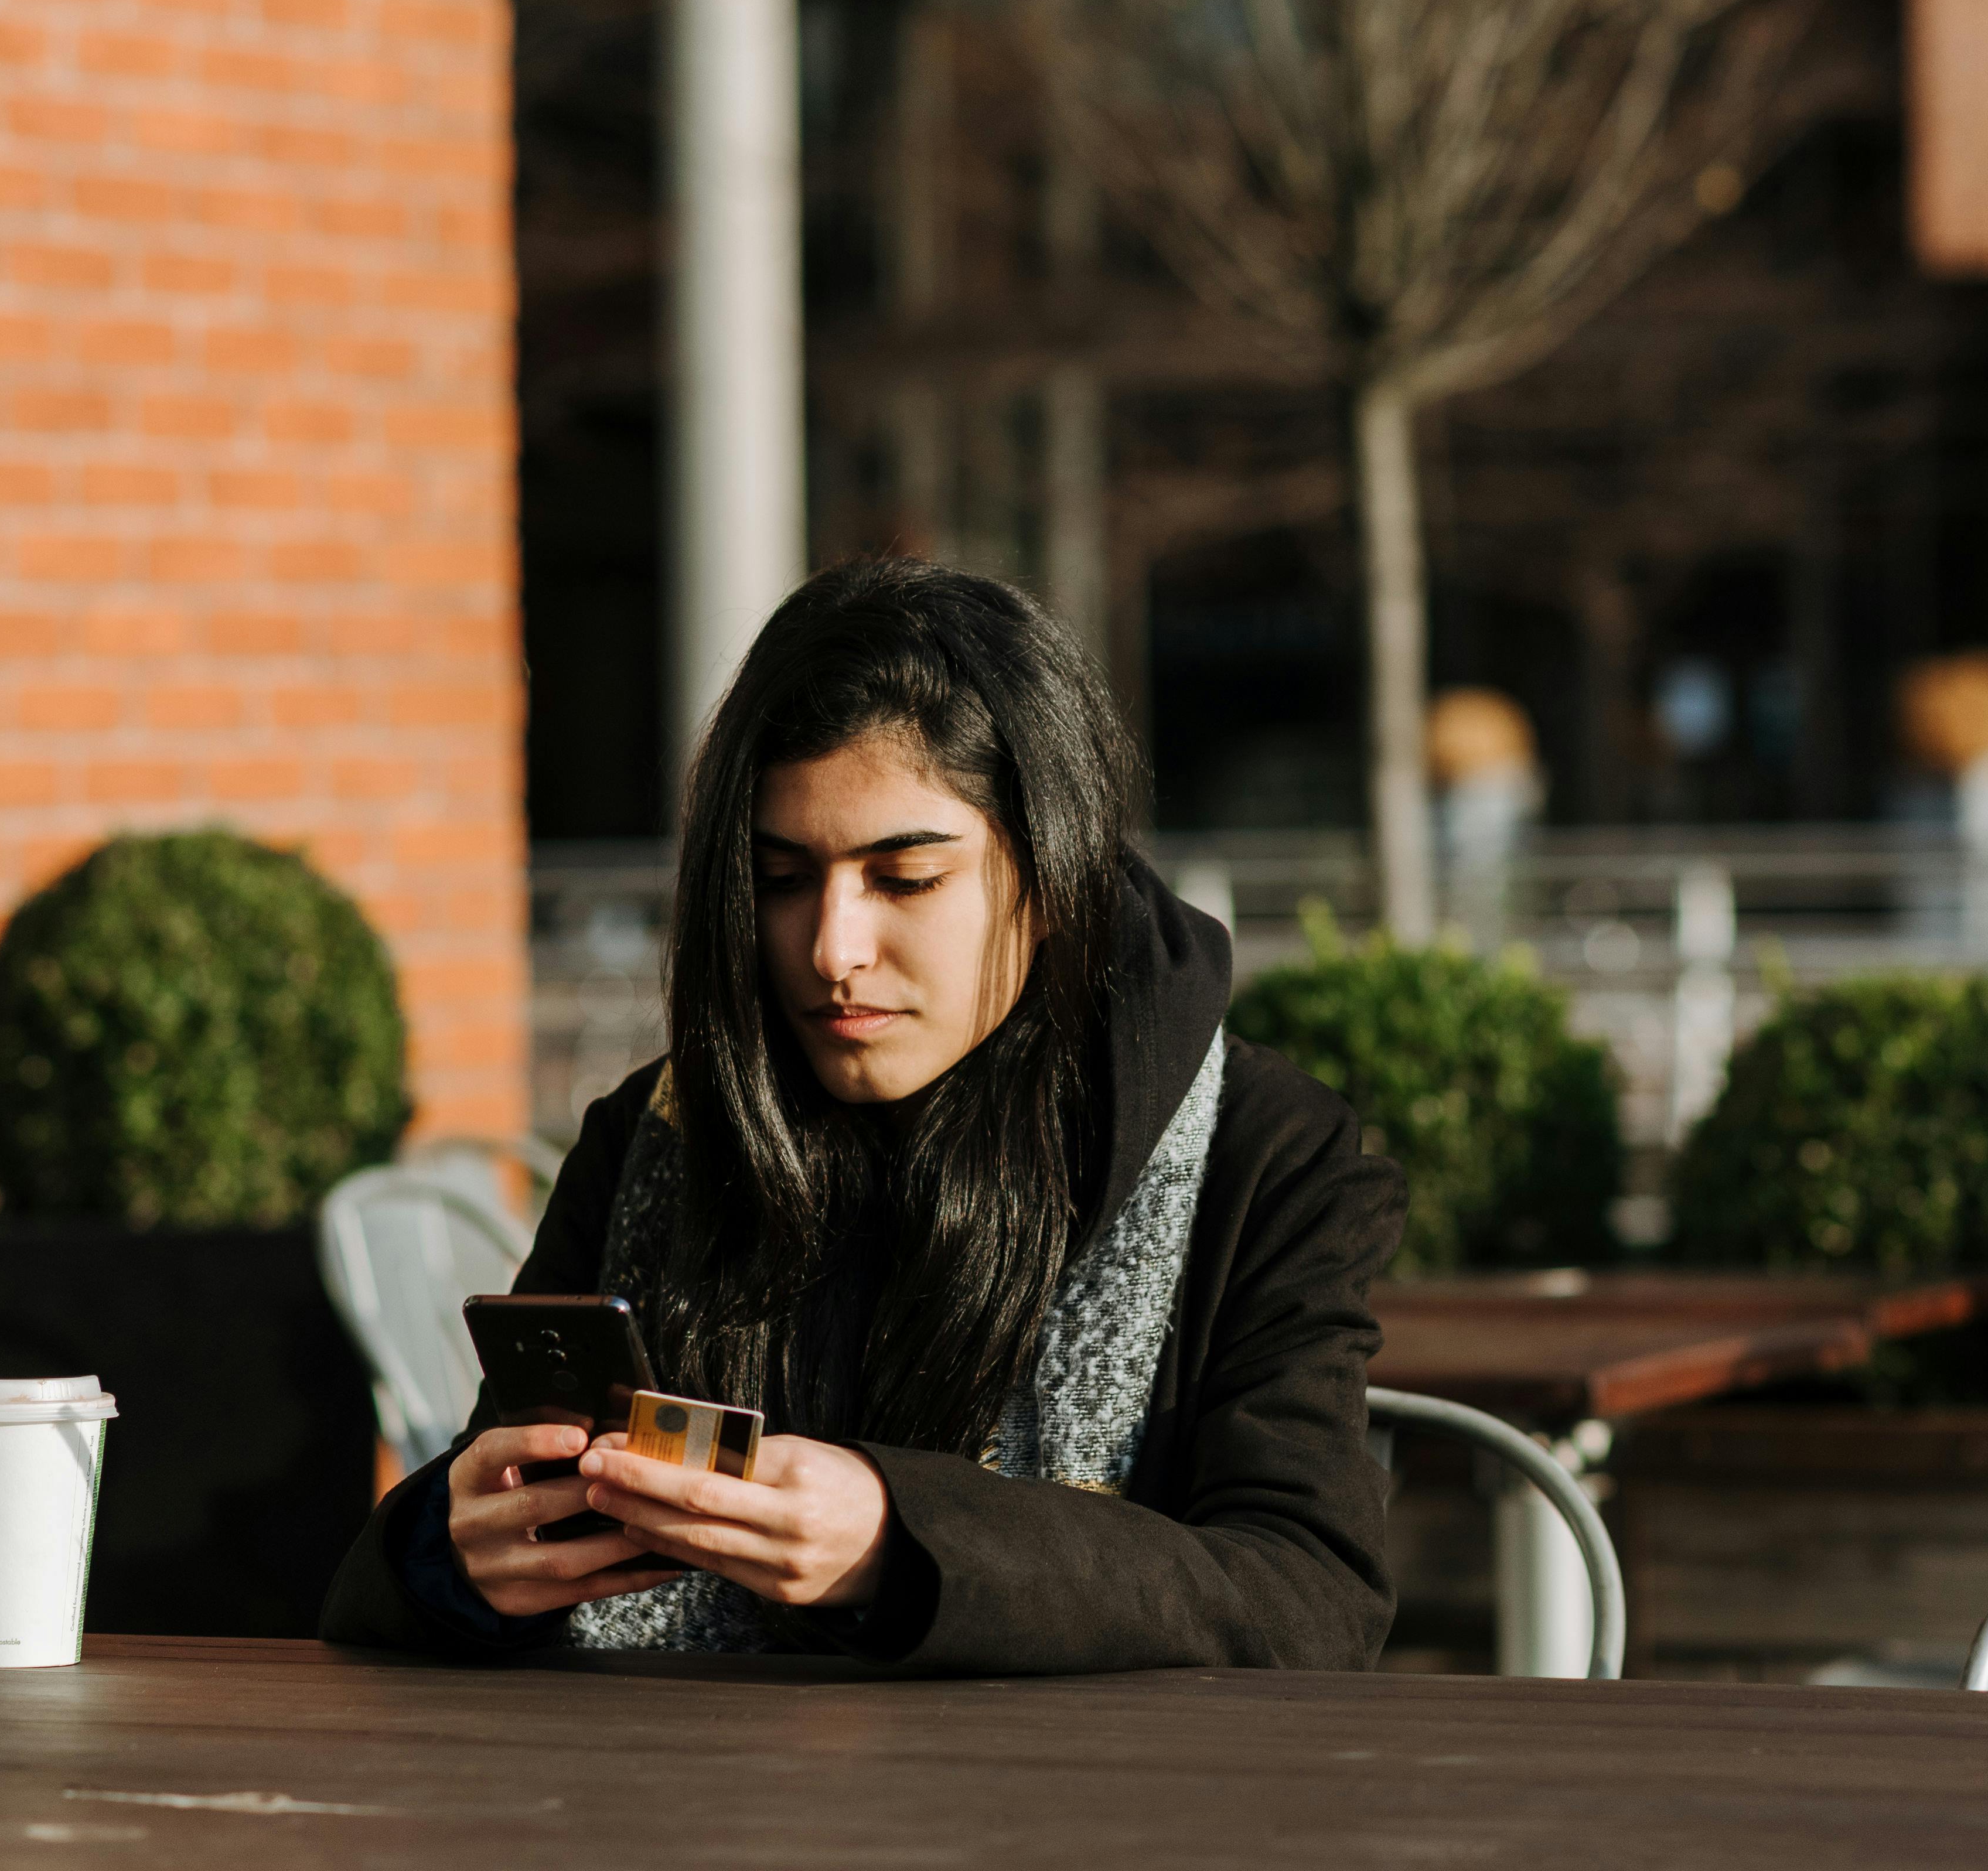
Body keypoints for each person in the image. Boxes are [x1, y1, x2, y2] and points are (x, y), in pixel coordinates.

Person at [319, 558, 1405, 1672]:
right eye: (782, 880)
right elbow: (408, 1565)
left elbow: (1309, 1600)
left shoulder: (1263, 1154)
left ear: (1053, 867)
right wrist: (455, 1562)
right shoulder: (659, 1133)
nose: (833, 949)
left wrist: (904, 1543)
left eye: (907, 880)